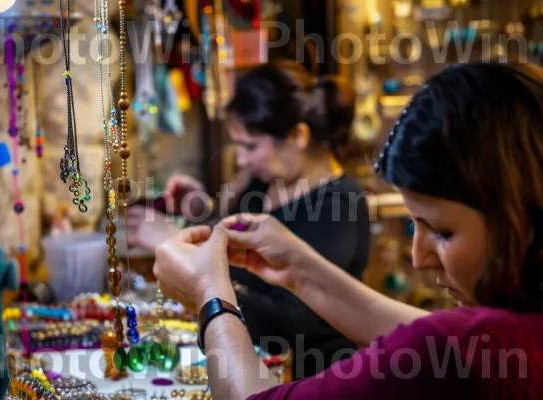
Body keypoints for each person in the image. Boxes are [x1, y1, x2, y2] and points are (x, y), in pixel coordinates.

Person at [152, 61, 543, 399]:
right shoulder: (510, 334)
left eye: (441, 232)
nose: (418, 258)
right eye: (415, 226)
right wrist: (302, 271)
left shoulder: (468, 351)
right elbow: (425, 333)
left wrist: (211, 297)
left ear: (523, 216)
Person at [127, 61, 371, 378]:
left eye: (250, 146)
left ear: (298, 135)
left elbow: (282, 328)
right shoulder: (265, 182)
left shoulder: (339, 207)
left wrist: (174, 245)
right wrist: (201, 210)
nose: (241, 158)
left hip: (310, 382)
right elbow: (235, 253)